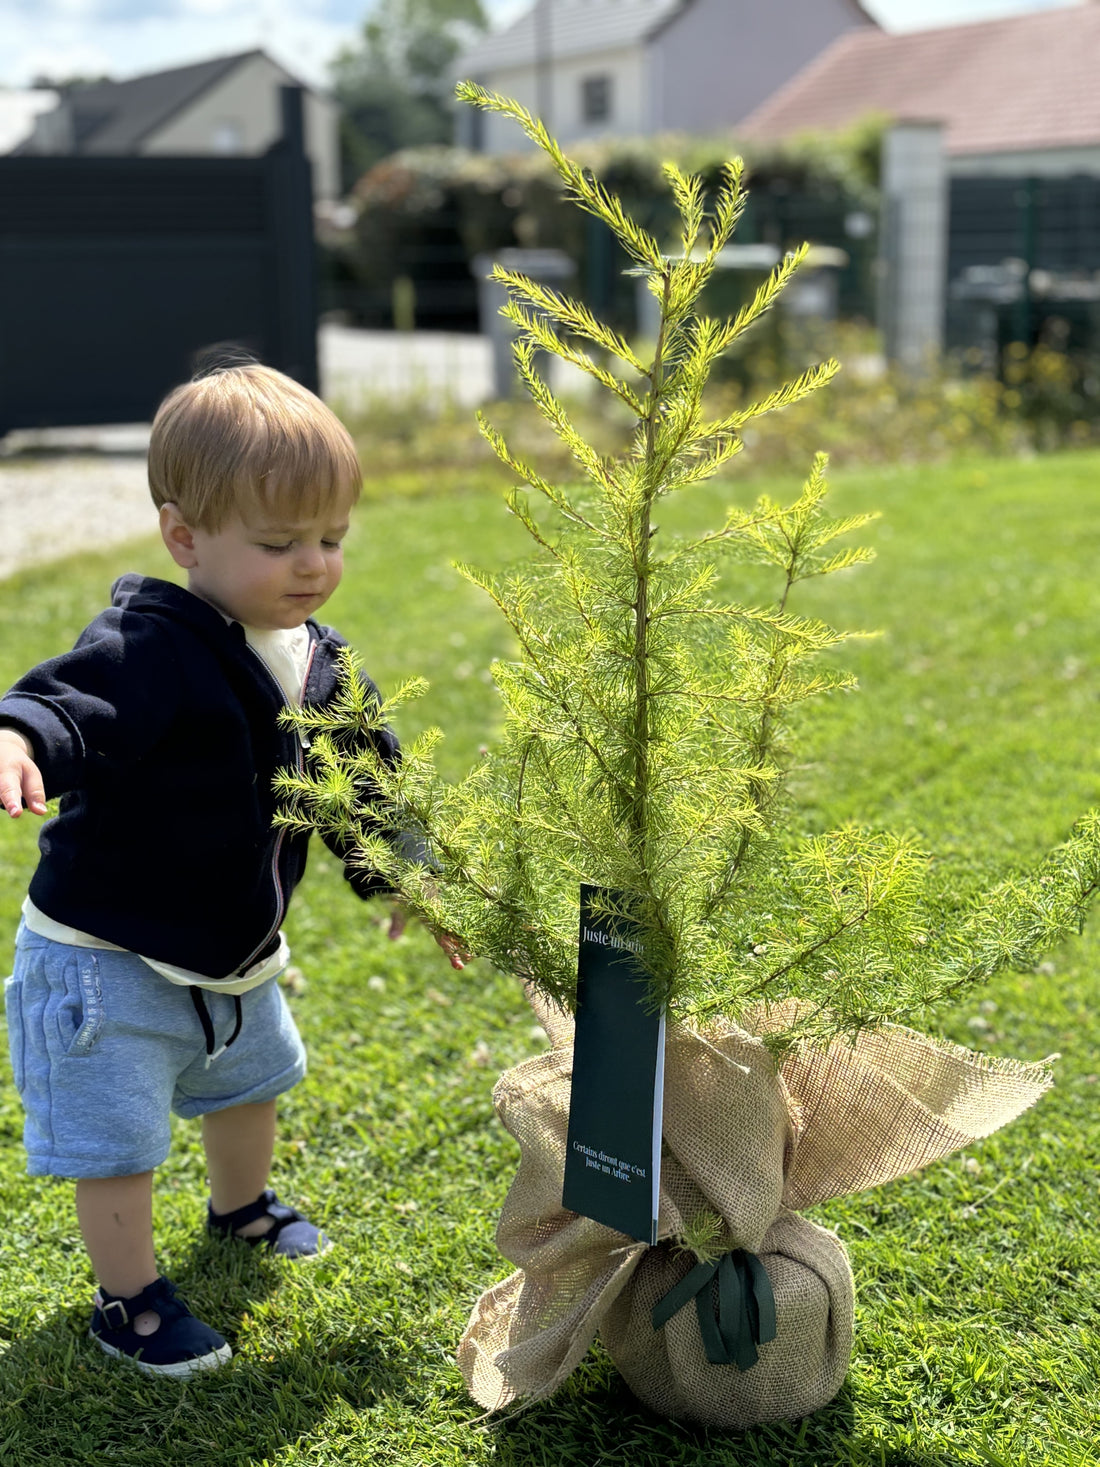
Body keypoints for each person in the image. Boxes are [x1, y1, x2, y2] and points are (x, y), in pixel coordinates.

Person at [0, 361, 463, 1378]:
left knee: (249, 1082)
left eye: (331, 538)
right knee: (117, 1136)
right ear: (184, 538)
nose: (313, 566)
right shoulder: (148, 646)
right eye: (279, 543)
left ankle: (240, 1207)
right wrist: (18, 737)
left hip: (233, 948)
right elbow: (69, 702)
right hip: (109, 957)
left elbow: (363, 786)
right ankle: (129, 1301)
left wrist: (407, 877)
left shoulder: (318, 659)